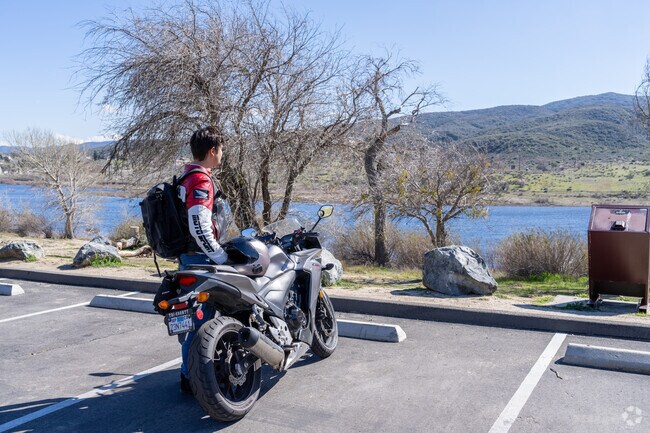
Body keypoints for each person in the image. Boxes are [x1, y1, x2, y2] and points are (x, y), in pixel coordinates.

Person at [177, 126, 229, 393]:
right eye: (221, 150)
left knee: (193, 323)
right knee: (202, 323)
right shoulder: (200, 180)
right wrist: (220, 256)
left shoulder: (186, 176)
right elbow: (199, 223)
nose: (222, 155)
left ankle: (190, 372)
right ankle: (192, 379)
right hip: (201, 259)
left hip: (188, 258)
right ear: (212, 151)